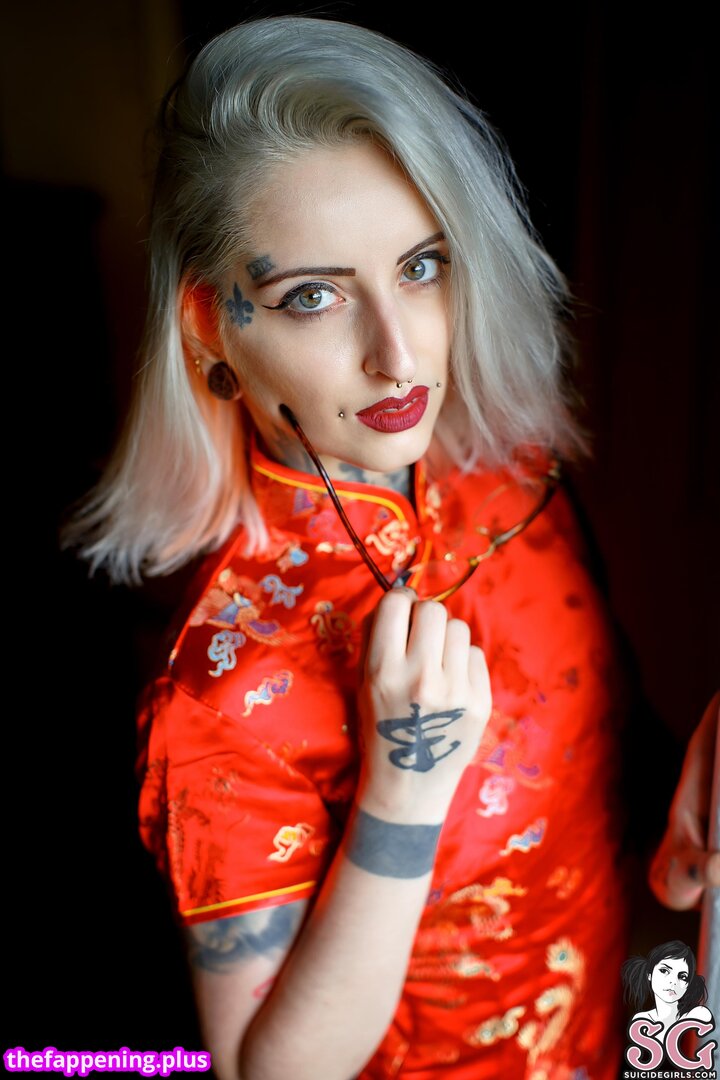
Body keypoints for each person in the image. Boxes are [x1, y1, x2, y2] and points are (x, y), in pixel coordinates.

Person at [63, 15, 719, 1080]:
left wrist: (694, 784)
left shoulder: (518, 481)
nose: (400, 353)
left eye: (420, 266)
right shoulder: (223, 694)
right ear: (209, 326)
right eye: (313, 296)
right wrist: (402, 794)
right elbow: (265, 1069)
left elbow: (606, 767)